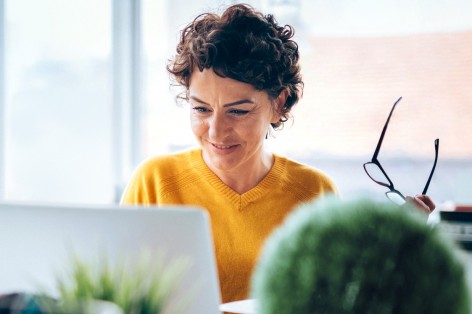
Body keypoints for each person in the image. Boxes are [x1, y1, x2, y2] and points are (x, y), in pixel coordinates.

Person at [120, 3, 435, 303]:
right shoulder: (155, 182)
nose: (215, 131)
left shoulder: (313, 192)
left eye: (238, 111)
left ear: (279, 103)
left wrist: (396, 240)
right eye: (201, 109)